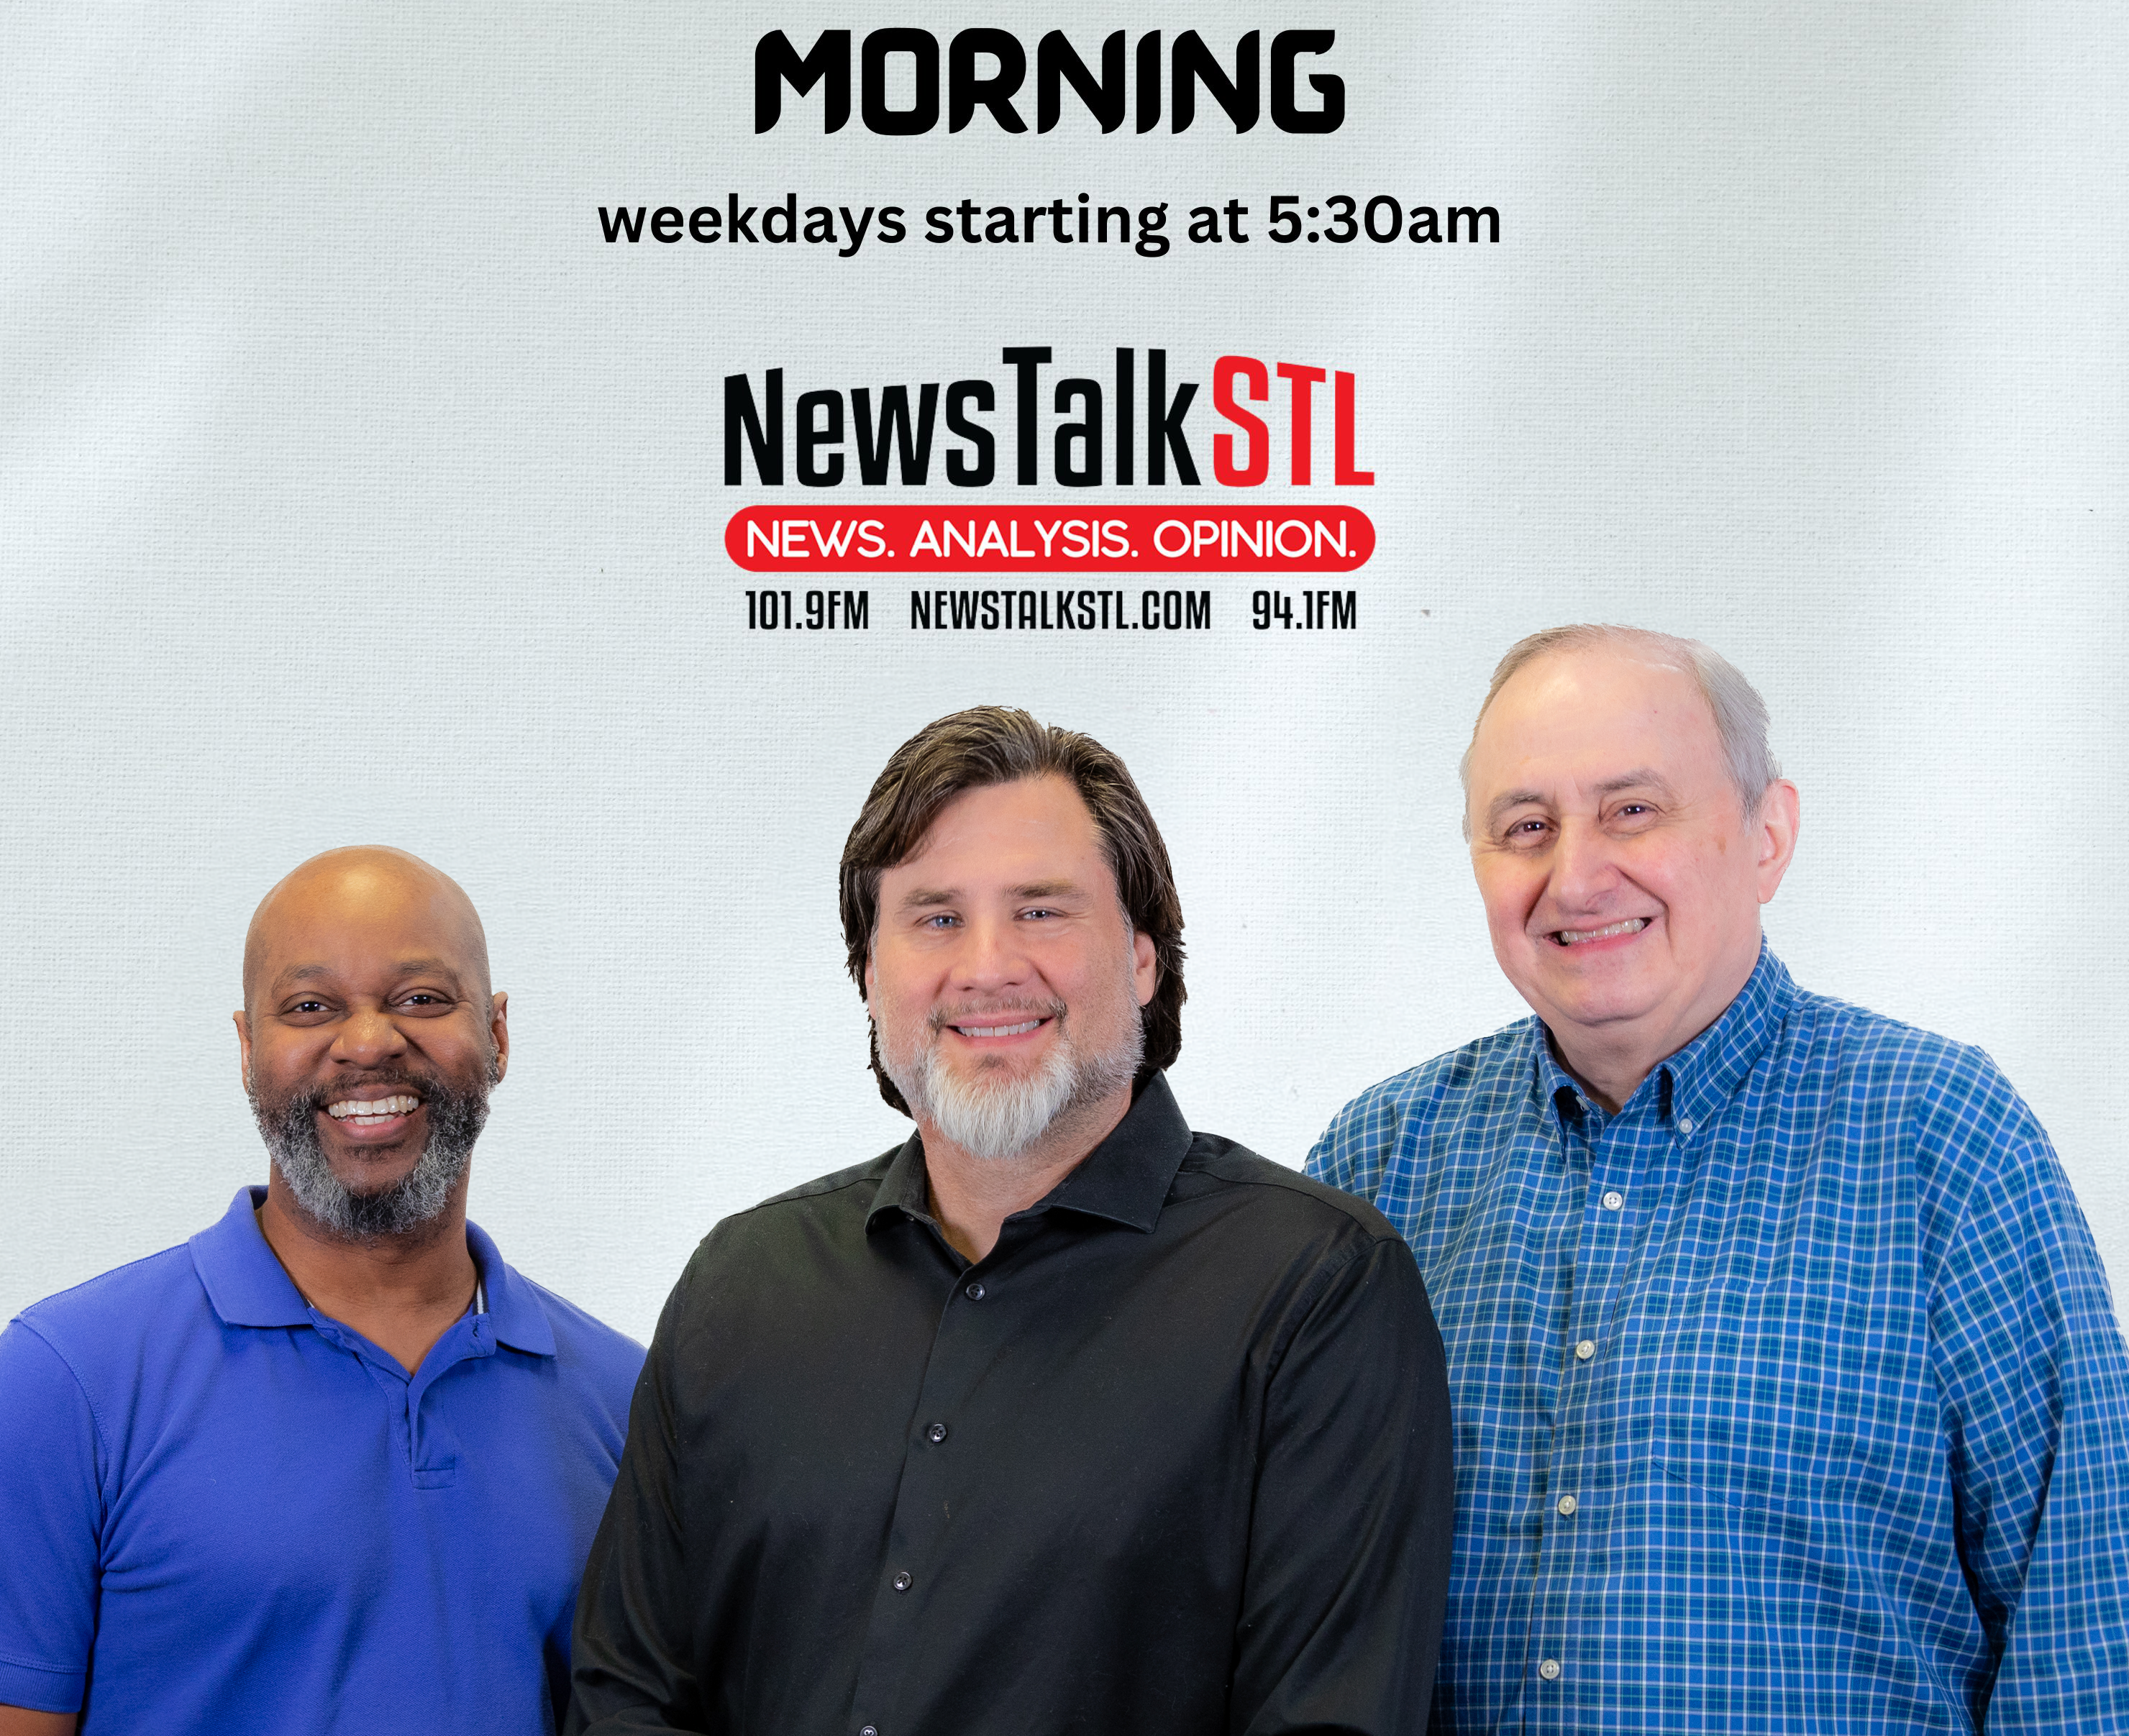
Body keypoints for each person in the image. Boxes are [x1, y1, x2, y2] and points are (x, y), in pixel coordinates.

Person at [1308, 624, 2129, 1734]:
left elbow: (2083, 1621)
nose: (1579, 874)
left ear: (1767, 836)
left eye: (1633, 810)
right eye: (1527, 826)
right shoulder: (1381, 1162)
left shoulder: (1943, 1140)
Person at [570, 705, 1452, 1736]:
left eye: (1041, 911)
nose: (986, 967)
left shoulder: (1316, 1289)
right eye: (936, 918)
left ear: (1143, 960)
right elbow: (628, 1697)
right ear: (867, 974)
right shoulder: (742, 1284)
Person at [0, 846, 645, 1736]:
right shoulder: (64, 1386)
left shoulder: (626, 1401)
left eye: (421, 999)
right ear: (249, 1050)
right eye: (311, 1007)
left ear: (499, 1034)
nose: (368, 1042)